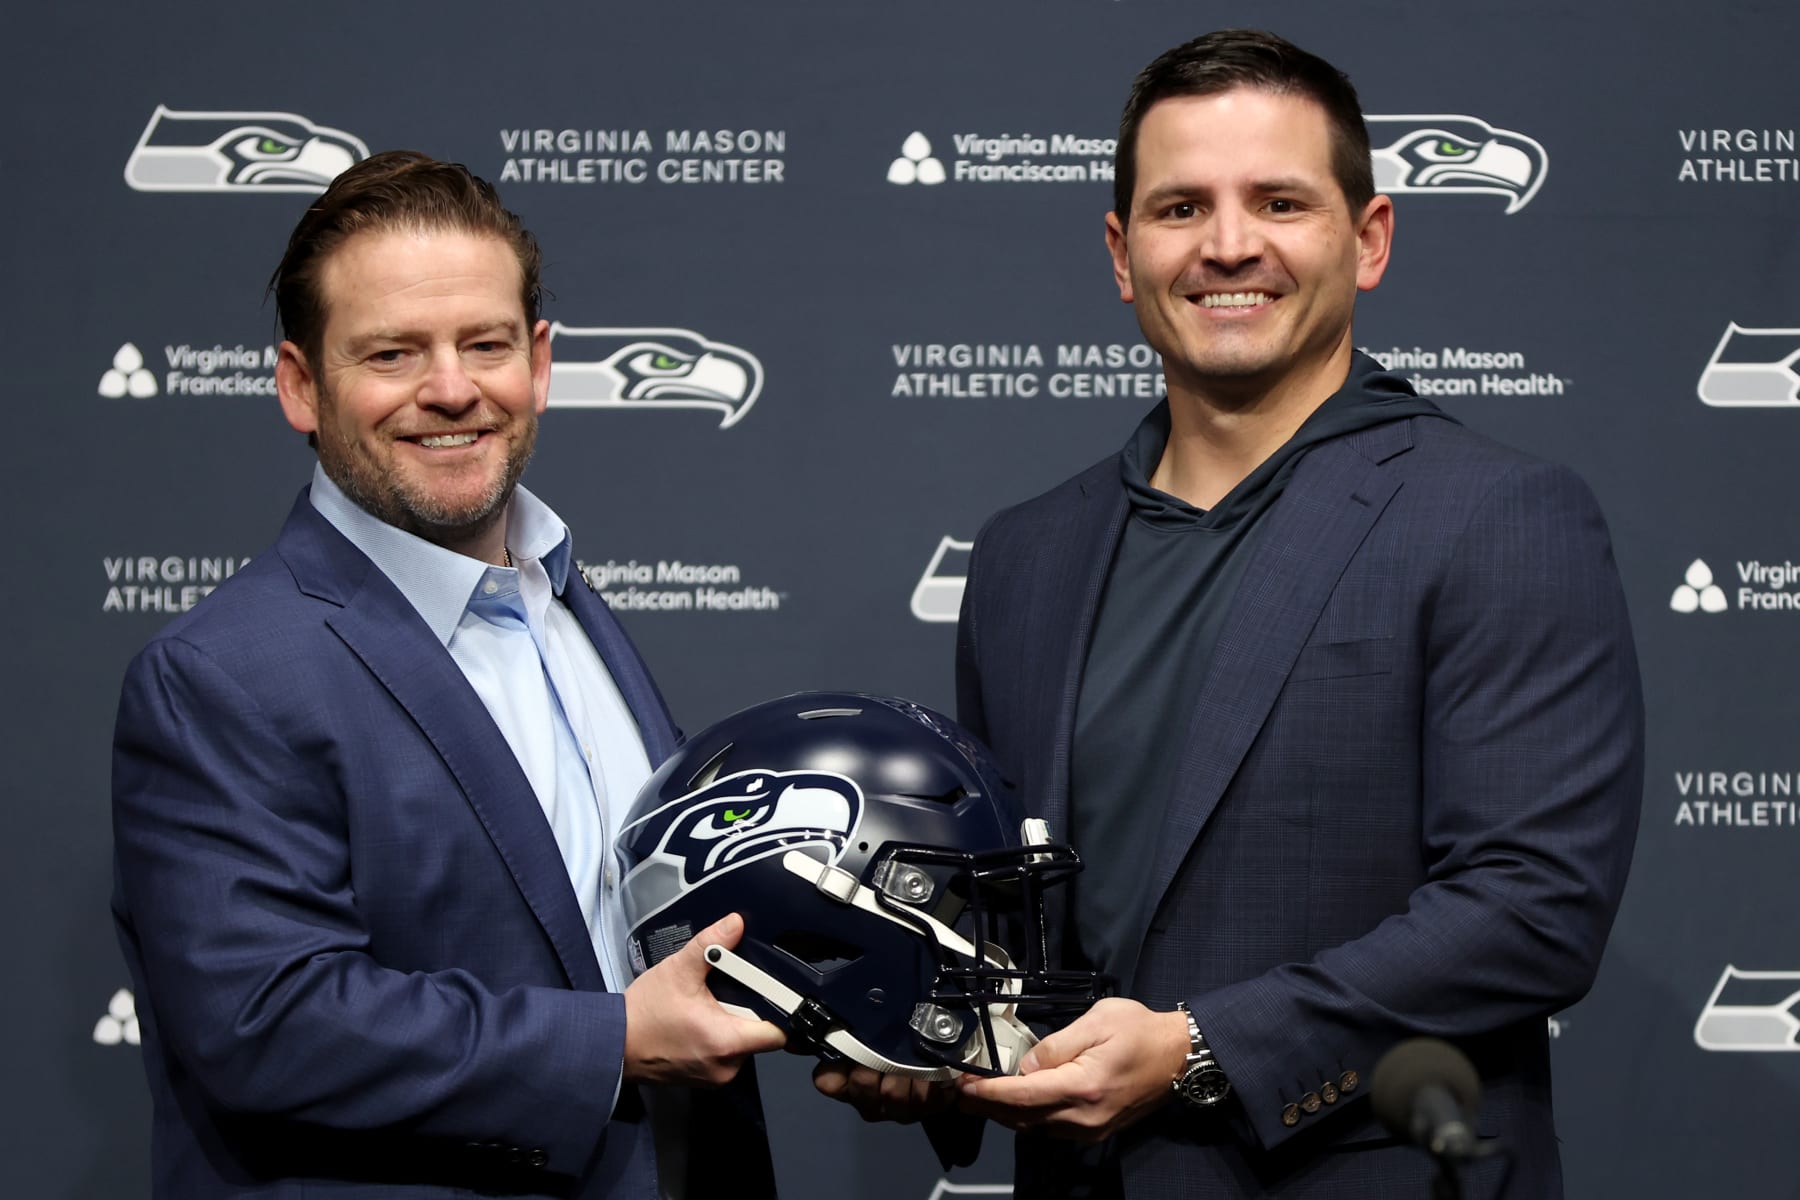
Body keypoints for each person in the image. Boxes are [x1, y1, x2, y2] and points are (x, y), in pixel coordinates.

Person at [821, 29, 1643, 1198]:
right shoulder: (1023, 556)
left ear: (1369, 240)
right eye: (1179, 208)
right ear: (1121, 253)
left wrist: (1201, 1047)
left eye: (1279, 201)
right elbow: (1021, 918)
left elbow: (1533, 909)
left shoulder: (1499, 517)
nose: (1227, 245)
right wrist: (936, 1043)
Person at [110, 150, 786, 1199]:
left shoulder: (569, 608)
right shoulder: (218, 677)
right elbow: (268, 1022)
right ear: (300, 385)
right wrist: (612, 1039)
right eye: (392, 353)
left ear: (542, 362)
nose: (452, 388)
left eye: (486, 343)